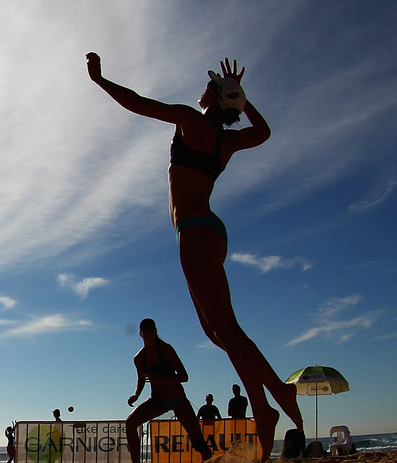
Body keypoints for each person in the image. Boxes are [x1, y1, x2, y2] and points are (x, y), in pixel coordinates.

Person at [87, 54, 304, 461]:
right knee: (216, 332)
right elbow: (264, 131)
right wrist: (241, 101)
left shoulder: (192, 119)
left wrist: (100, 80)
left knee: (227, 328)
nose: (203, 86)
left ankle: (265, 409)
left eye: (211, 85)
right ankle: (276, 391)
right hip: (209, 232)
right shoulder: (227, 139)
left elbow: (136, 102)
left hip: (194, 232)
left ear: (215, 98)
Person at [124, 318, 213, 462]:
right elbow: (141, 379)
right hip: (158, 400)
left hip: (178, 399)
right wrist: (136, 395)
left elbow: (184, 376)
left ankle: (210, 459)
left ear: (155, 331)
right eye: (144, 329)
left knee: (198, 440)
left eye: (150, 328)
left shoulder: (166, 349)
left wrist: (162, 379)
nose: (147, 332)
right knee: (130, 422)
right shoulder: (139, 358)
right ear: (140, 333)